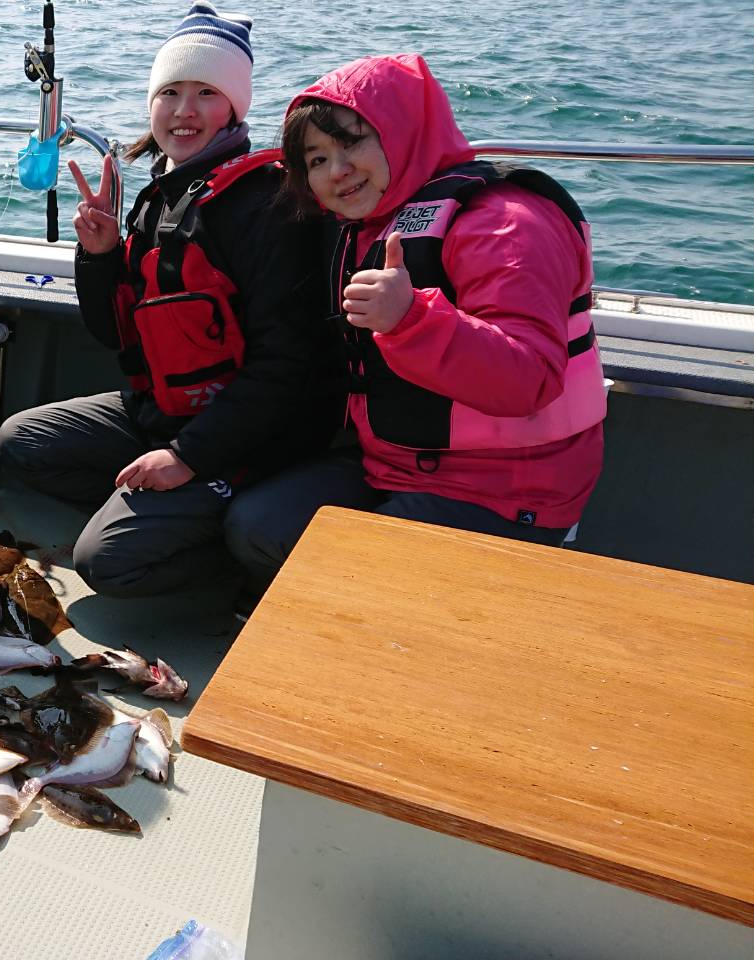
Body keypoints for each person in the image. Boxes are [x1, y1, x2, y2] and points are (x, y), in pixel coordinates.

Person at [0, 2, 342, 599]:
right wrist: (100, 255)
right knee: (20, 444)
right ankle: (165, 506)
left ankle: (237, 561)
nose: (184, 111)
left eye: (206, 92)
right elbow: (113, 332)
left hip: (251, 440)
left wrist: (186, 457)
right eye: (170, 92)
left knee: (106, 562)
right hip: (160, 413)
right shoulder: (164, 194)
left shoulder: (268, 206)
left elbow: (287, 369)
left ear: (235, 105)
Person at [223, 53, 606, 595]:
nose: (337, 171)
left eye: (353, 141)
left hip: (507, 489)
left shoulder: (506, 225)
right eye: (316, 158)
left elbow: (530, 377)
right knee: (256, 527)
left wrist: (410, 319)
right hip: (393, 465)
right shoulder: (368, 222)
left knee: (358, 570)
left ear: (403, 132)